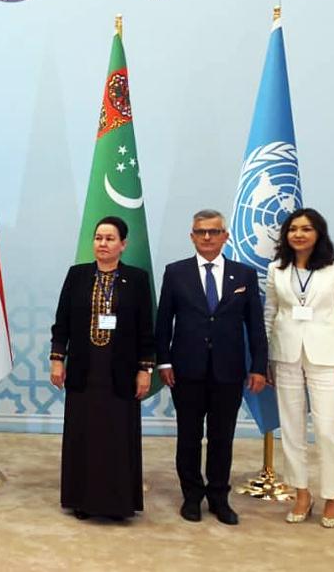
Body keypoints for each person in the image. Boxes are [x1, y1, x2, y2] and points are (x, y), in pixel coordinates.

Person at [156, 209, 268, 525]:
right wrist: (164, 360)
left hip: (228, 372)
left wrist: (259, 366)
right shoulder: (175, 272)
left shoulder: (243, 275)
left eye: (214, 231)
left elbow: (255, 325)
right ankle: (192, 497)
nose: (207, 237)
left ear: (225, 236)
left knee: (222, 438)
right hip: (185, 370)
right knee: (188, 437)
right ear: (192, 236)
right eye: (201, 231)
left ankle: (219, 498)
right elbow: (163, 322)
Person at [49, 216, 154, 520]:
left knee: (117, 437)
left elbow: (146, 329)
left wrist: (145, 369)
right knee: (84, 435)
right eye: (98, 238)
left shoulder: (136, 279)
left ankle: (117, 504)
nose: (103, 244)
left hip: (120, 373)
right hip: (85, 371)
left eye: (110, 239)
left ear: (123, 244)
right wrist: (57, 359)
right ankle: (82, 500)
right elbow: (62, 321)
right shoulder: (78, 275)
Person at [265, 208, 334, 528]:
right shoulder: (276, 269)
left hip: (328, 358)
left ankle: (332, 495)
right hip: (286, 356)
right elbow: (269, 315)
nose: (299, 234)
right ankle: (302, 493)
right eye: (293, 229)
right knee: (292, 430)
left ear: (318, 233)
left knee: (327, 432)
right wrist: (265, 360)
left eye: (306, 229)